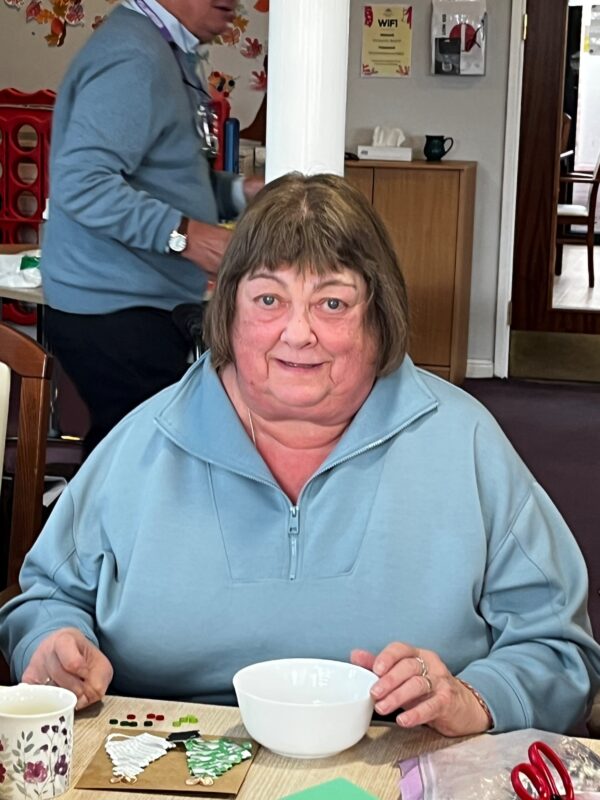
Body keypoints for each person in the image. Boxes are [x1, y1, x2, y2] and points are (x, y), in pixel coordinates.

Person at [1, 174, 599, 738]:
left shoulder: (465, 443)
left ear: (381, 317)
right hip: (164, 768)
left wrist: (477, 698)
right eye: (268, 299)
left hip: (403, 765)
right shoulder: (145, 441)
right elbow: (46, 600)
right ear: (228, 312)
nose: (297, 332)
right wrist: (53, 643)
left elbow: (560, 648)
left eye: (332, 304)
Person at [41, 0, 262, 454]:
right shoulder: (134, 56)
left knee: (135, 457)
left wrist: (242, 193)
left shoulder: (166, 52)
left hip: (136, 303)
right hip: (114, 309)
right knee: (140, 461)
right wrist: (185, 235)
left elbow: (168, 179)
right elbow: (82, 183)